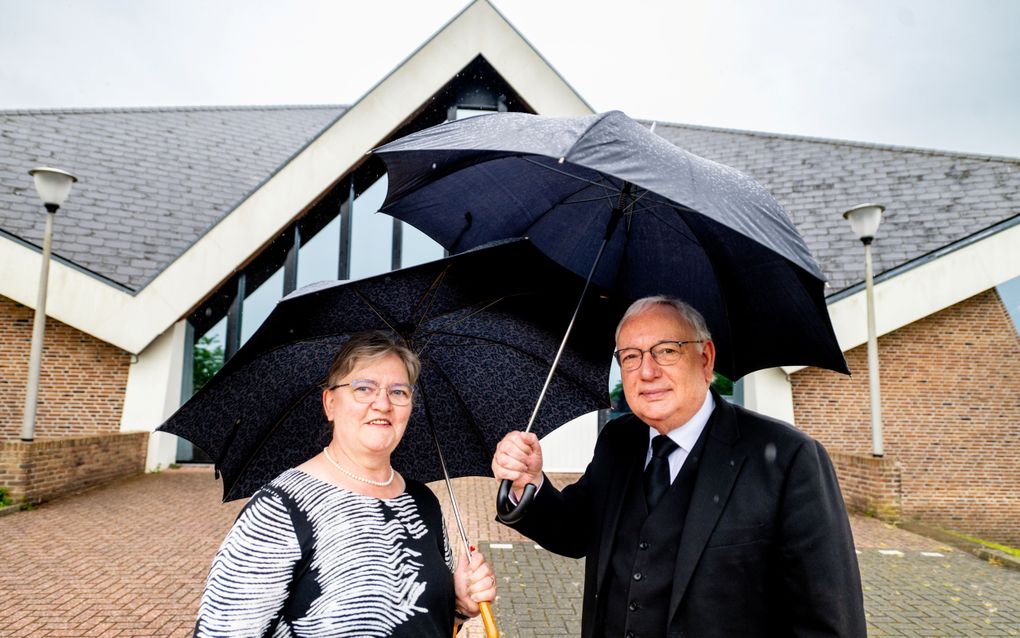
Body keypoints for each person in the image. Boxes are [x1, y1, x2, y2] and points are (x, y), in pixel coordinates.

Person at [492, 296, 866, 638]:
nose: (647, 372)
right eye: (631, 356)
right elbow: (577, 531)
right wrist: (531, 484)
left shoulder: (790, 458)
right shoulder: (617, 441)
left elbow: (828, 623)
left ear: (705, 359)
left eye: (666, 351)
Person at [195, 330, 496, 637]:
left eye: (398, 392)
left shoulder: (423, 502)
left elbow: (429, 625)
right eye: (364, 388)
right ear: (330, 403)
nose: (383, 403)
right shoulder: (280, 510)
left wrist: (460, 609)